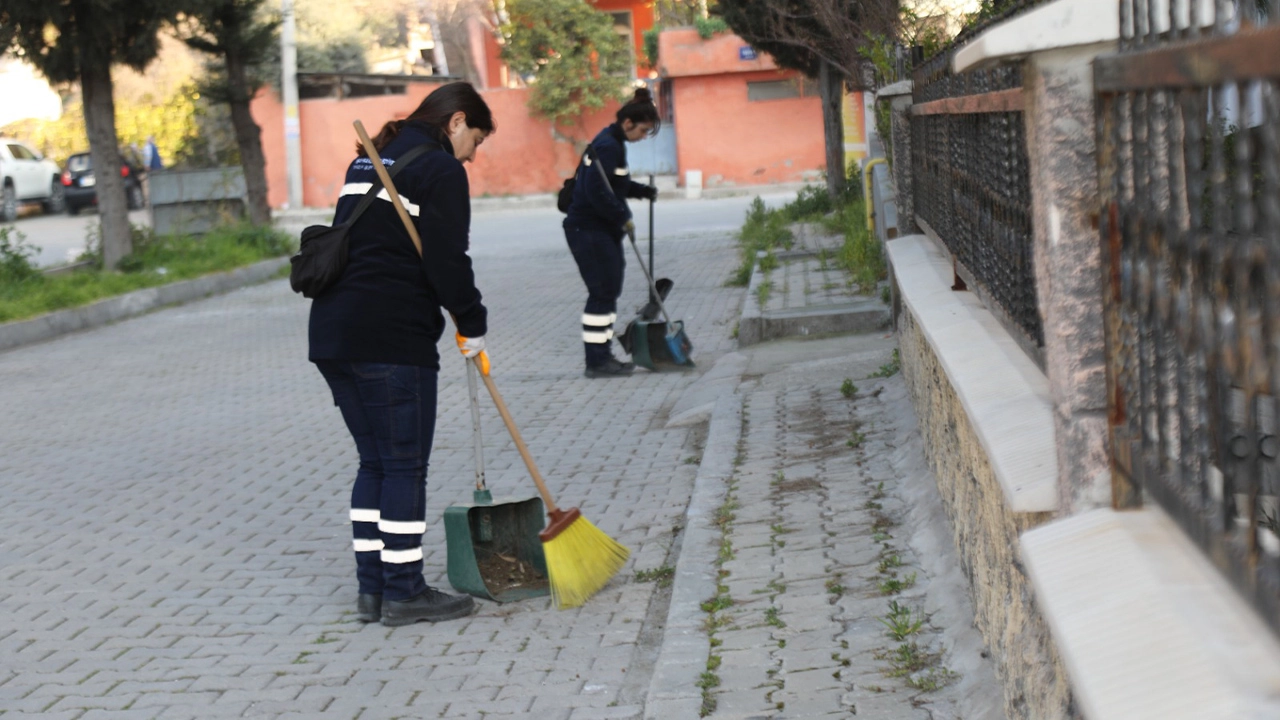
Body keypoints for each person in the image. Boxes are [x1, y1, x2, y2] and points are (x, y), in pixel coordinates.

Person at [308, 82, 494, 627]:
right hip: (390, 338)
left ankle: (374, 591)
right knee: (405, 467)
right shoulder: (440, 170)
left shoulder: (369, 160)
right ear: (457, 122)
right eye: (476, 141)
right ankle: (405, 592)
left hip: (334, 333)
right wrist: (473, 322)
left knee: (377, 463)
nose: (473, 156)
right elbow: (447, 261)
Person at [563, 87, 660, 378]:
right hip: (589, 230)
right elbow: (595, 190)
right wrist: (622, 217)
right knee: (602, 292)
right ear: (628, 123)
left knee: (608, 291)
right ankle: (597, 361)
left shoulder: (612, 143)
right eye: (642, 130)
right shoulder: (609, 146)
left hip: (597, 229)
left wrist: (642, 191)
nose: (643, 137)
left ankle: (602, 356)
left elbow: (612, 186)